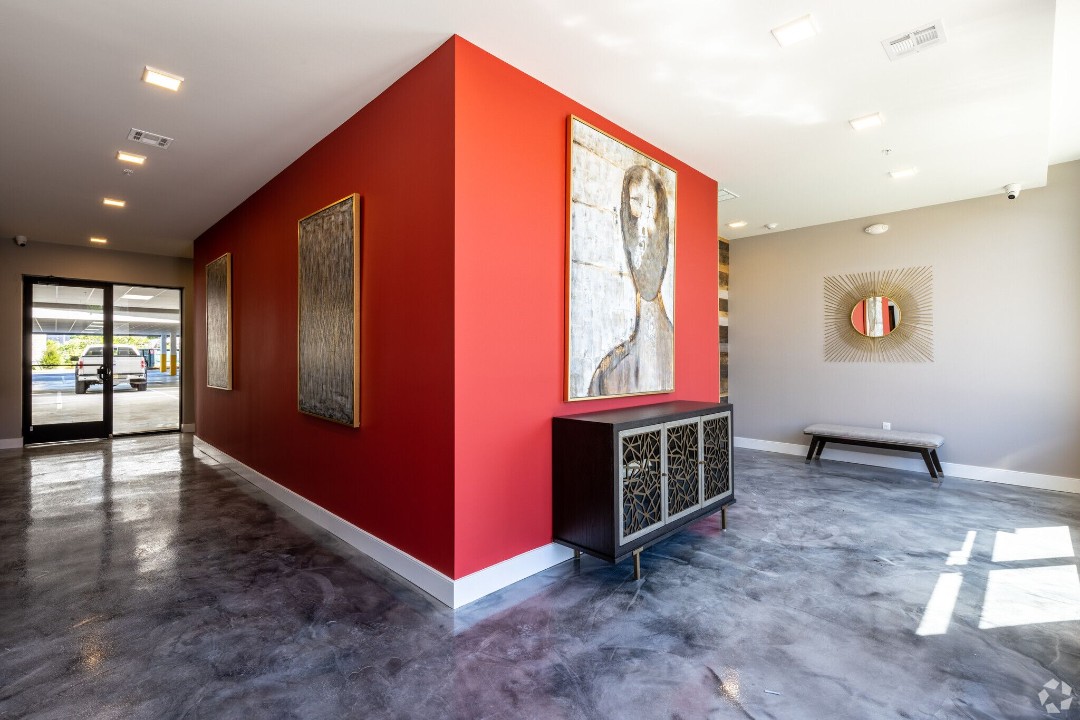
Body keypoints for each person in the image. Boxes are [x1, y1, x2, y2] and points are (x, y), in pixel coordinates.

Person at [589, 164, 674, 396]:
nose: (644, 226)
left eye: (650, 206)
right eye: (636, 203)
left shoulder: (678, 350)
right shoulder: (607, 376)